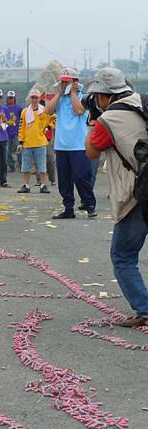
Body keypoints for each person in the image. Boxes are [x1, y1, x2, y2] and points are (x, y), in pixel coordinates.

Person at [84, 68, 148, 327]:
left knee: (122, 255)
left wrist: (95, 120)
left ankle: (144, 309)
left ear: (103, 95)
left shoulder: (108, 119)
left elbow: (90, 152)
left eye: (97, 96)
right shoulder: (143, 102)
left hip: (138, 195)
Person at [44, 67, 97, 219]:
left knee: (81, 177)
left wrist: (73, 92)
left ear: (75, 82)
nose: (64, 84)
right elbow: (48, 110)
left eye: (67, 82)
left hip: (79, 145)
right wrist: (60, 92)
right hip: (62, 145)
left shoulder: (84, 97)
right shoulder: (60, 99)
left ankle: (90, 204)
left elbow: (80, 111)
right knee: (64, 179)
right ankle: (68, 208)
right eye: (62, 82)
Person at [16, 89, 55, 194]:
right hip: (27, 143)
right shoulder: (24, 112)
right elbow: (21, 127)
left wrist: (48, 128)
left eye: (36, 97)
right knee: (26, 166)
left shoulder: (44, 111)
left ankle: (43, 185)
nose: (34, 100)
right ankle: (26, 185)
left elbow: (52, 121)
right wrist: (20, 142)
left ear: (39, 99)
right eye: (32, 97)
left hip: (41, 143)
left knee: (42, 166)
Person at [5, 90, 23, 172]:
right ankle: (11, 167)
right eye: (9, 98)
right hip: (7, 132)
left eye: (12, 98)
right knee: (7, 151)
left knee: (18, 150)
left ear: (14, 98)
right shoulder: (4, 108)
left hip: (16, 132)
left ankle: (22, 166)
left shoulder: (19, 108)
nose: (10, 99)